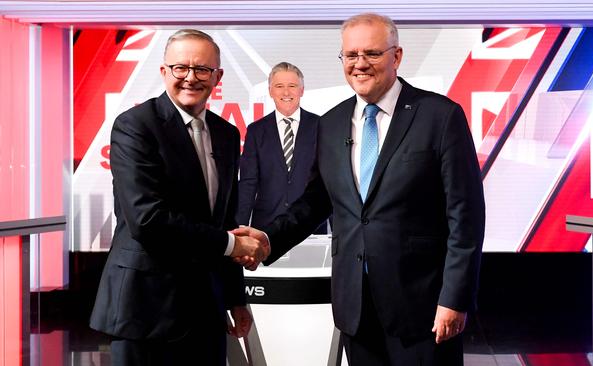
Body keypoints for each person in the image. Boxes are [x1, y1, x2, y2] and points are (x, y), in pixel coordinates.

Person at [234, 13, 485, 365]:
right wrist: (268, 239)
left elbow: (466, 216)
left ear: (396, 56)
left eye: (372, 54)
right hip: (355, 307)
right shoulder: (332, 122)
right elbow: (317, 200)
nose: (360, 64)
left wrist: (454, 298)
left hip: (422, 308)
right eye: (351, 56)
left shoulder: (440, 116)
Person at [89, 29, 268, 366]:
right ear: (163, 72)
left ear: (218, 76)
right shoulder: (134, 127)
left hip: (206, 308)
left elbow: (224, 219)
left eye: (202, 69)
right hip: (146, 310)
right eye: (180, 68)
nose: (190, 78)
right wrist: (231, 245)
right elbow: (148, 220)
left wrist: (235, 297)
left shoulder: (227, 134)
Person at [237, 62, 326, 234]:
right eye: (279, 86)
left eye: (292, 86)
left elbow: (330, 181)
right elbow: (248, 182)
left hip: (311, 225)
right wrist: (240, 226)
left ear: (302, 90)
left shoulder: (321, 126)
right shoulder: (256, 130)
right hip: (265, 227)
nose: (286, 92)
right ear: (270, 91)